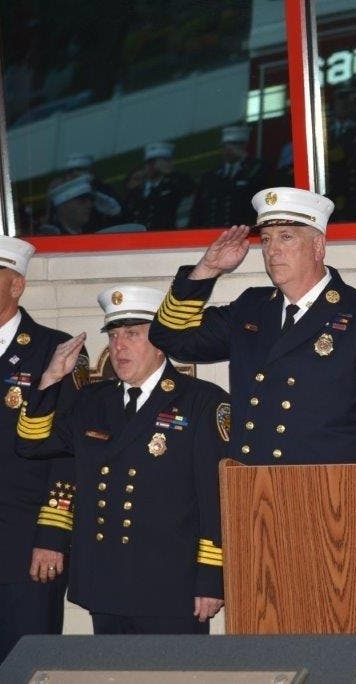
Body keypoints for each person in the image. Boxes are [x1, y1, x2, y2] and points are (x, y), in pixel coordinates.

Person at [16, 285, 230, 635]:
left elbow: (214, 497)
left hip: (171, 584)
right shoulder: (93, 402)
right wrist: (51, 380)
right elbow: (32, 445)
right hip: (107, 581)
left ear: (161, 343)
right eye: (114, 336)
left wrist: (211, 578)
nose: (119, 346)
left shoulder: (201, 402)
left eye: (133, 334)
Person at [149, 187, 356, 464]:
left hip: (330, 494)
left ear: (318, 246)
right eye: (267, 239)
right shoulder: (251, 309)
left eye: (286, 237)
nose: (273, 250)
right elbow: (171, 337)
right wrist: (208, 269)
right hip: (253, 489)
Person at [0, 236, 85, 661]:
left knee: (27, 664)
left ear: (17, 285)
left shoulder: (57, 349)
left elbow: (68, 454)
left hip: (25, 545)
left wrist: (52, 535)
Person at [190, 125, 272, 228]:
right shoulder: (211, 175)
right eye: (225, 146)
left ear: (243, 146)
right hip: (213, 234)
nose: (228, 150)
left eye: (234, 145)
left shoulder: (257, 170)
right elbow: (197, 210)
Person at [122, 142, 196, 230]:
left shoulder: (172, 185)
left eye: (155, 162)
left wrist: (169, 172)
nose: (151, 166)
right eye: (149, 163)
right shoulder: (137, 191)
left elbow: (190, 188)